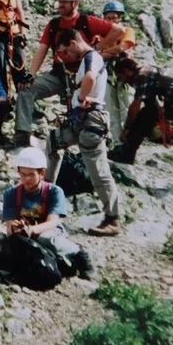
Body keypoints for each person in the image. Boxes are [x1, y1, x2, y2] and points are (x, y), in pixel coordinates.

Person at [13, 0, 124, 148]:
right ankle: (22, 134)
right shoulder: (54, 25)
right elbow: (42, 49)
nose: (60, 6)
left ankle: (93, 141)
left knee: (83, 107)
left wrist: (97, 49)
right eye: (59, 2)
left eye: (64, 2)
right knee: (27, 90)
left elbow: (118, 30)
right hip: (59, 74)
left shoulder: (87, 22)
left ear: (75, 3)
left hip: (82, 76)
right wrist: (32, 74)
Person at [50, 29, 124, 237]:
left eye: (65, 52)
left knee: (98, 170)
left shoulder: (92, 58)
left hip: (89, 120)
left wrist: (82, 97)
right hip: (80, 121)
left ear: (73, 43)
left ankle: (113, 218)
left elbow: (90, 77)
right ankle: (45, 193)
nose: (65, 57)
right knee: (53, 141)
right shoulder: (88, 59)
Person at [108, 58, 173, 202]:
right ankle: (126, 153)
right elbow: (151, 105)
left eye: (121, 77)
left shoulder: (142, 75)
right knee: (146, 114)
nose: (123, 81)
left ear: (127, 71)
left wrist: (127, 129)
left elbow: (135, 105)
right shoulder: (148, 70)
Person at [1, 148, 97, 280]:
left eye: (31, 174)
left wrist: (32, 229)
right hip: (24, 233)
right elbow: (9, 226)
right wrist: (17, 229)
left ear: (42, 173)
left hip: (49, 231)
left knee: (45, 238)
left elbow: (52, 222)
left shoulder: (54, 192)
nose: (26, 179)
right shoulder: (11, 194)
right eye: (22, 174)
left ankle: (79, 255)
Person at [98, 0, 138, 143]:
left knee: (126, 106)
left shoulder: (127, 31)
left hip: (125, 76)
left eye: (114, 18)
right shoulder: (102, 35)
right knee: (110, 110)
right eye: (108, 18)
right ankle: (117, 141)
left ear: (120, 18)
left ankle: (130, 141)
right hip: (108, 75)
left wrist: (104, 53)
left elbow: (123, 47)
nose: (111, 21)